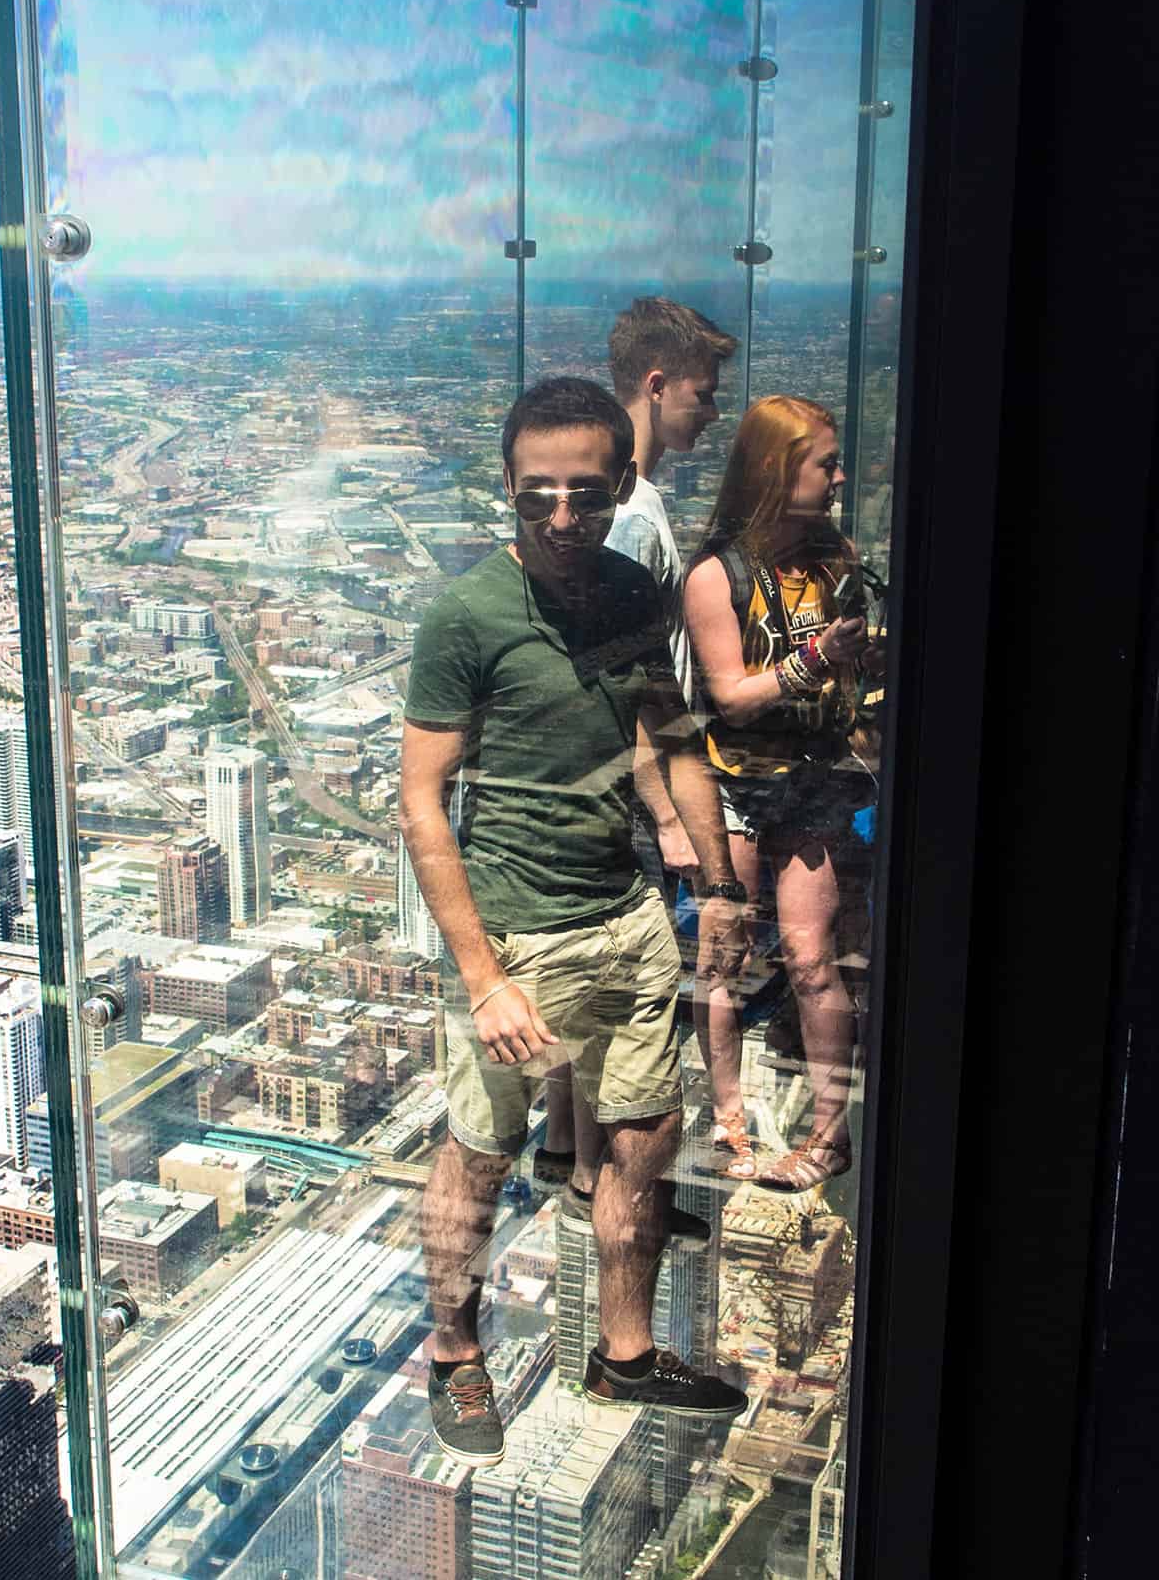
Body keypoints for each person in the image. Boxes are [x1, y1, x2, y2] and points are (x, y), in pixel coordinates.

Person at [404, 376, 749, 1467]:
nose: (561, 520)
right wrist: (483, 977)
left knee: (646, 1134)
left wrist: (720, 888)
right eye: (536, 497)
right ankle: (456, 1357)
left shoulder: (636, 593)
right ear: (506, 489)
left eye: (585, 496)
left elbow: (675, 734)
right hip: (516, 937)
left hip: (627, 910)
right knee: (478, 1152)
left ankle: (625, 1352)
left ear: (622, 486)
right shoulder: (468, 618)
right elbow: (421, 798)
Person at [536, 297, 740, 1191]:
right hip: (621, 794)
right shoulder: (628, 514)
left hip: (614, 789)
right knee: (614, 1003)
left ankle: (570, 1160)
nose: (713, 410)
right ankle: (597, 1181)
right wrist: (667, 813)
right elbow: (622, 691)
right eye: (703, 392)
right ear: (656, 386)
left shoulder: (632, 506)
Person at [682, 395, 876, 1192]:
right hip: (736, 777)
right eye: (823, 463)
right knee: (723, 958)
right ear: (776, 470)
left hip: (816, 775)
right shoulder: (717, 575)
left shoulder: (838, 559)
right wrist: (815, 660)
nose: (837, 477)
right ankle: (731, 1124)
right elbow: (729, 694)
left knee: (808, 956)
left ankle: (829, 1136)